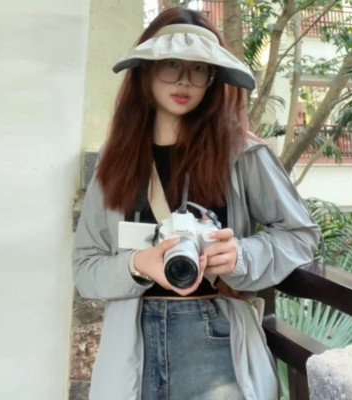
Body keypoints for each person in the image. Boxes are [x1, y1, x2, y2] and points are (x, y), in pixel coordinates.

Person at [72, 7, 321, 400]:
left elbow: (301, 235)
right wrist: (138, 264)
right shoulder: (114, 159)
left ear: (213, 78)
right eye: (171, 64)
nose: (185, 80)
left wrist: (240, 256)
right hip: (131, 345)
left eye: (199, 68)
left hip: (215, 338)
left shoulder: (242, 153)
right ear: (146, 70)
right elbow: (85, 267)